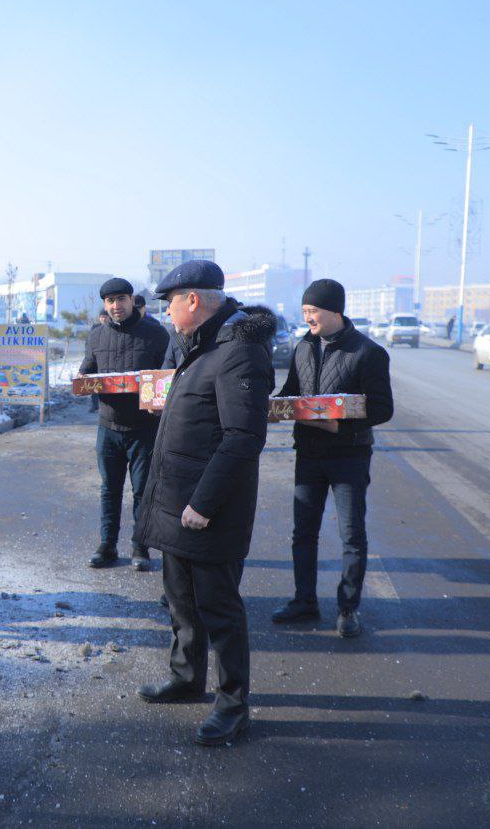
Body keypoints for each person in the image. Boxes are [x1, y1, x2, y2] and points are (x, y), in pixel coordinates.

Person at [132, 260, 275, 747]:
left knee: (219, 609)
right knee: (180, 601)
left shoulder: (239, 352)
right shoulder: (199, 347)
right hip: (175, 501)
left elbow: (242, 437)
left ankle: (233, 704)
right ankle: (186, 677)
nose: (166, 312)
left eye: (170, 302)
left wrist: (204, 504)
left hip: (207, 510)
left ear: (192, 300)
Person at [270, 279, 394, 638]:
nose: (308, 317)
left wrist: (340, 425)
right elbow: (292, 391)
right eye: (305, 310)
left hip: (349, 456)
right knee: (303, 532)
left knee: (351, 534)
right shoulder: (302, 348)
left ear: (335, 311)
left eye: (314, 311)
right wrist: (277, 405)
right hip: (308, 453)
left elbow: (383, 408)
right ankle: (304, 600)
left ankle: (347, 608)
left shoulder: (368, 353)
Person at [78, 278, 170, 570]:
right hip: (108, 427)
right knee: (109, 489)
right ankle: (107, 545)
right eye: (110, 301)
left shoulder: (156, 334)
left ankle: (140, 547)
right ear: (104, 304)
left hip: (144, 428)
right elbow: (86, 374)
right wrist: (86, 383)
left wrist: (155, 396)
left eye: (121, 299)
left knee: (142, 490)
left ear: (132, 300)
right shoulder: (96, 336)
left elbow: (169, 377)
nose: (116, 306)